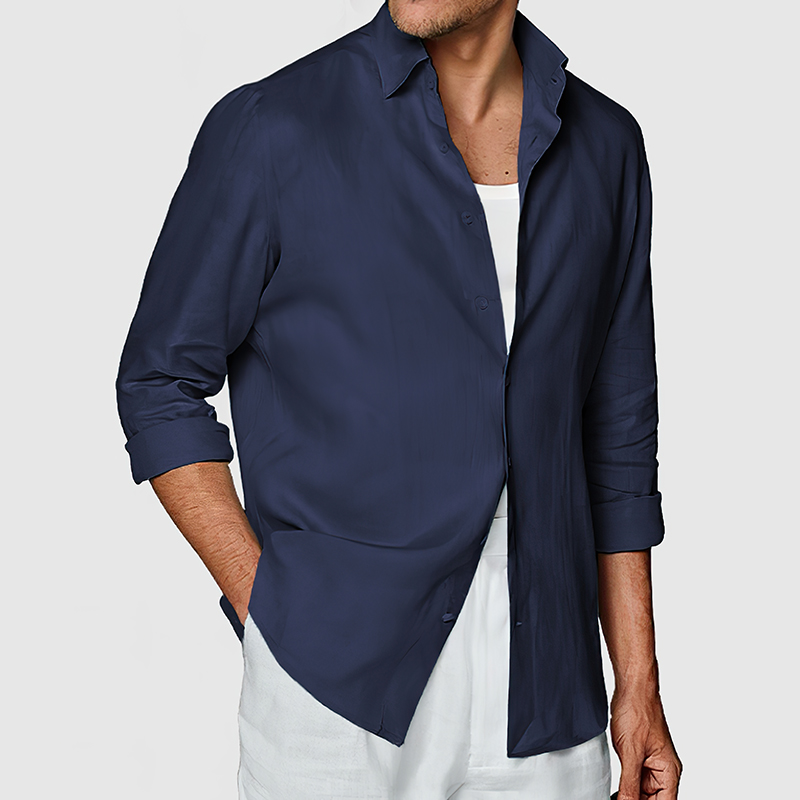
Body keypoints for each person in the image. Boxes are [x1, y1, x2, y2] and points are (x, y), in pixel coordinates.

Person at [115, 1, 682, 798]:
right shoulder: (276, 127)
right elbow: (159, 381)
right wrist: (266, 604)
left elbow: (616, 438)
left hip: (548, 691)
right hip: (334, 688)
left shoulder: (605, 145)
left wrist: (638, 682)